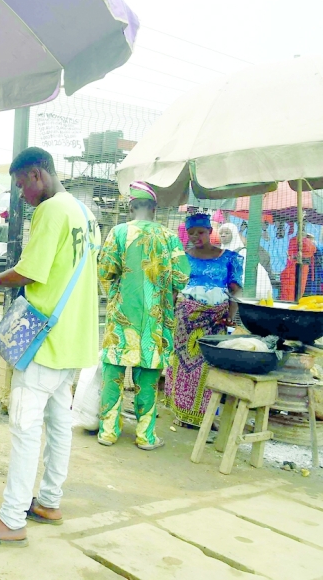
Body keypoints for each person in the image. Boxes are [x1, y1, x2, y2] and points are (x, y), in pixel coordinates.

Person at [0, 147, 100, 547]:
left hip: (45, 341)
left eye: (22, 184)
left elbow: (28, 273)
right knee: (59, 426)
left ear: (38, 174)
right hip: (75, 338)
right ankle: (49, 502)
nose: (22, 194)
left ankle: (11, 520)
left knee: (24, 428)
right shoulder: (84, 212)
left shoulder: (51, 211)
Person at [97, 182, 189, 450]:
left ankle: (108, 432)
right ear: (154, 207)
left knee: (113, 374)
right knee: (147, 378)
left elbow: (105, 270)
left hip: (120, 318)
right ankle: (145, 436)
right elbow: (182, 277)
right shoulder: (169, 236)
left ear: (130, 206)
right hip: (154, 321)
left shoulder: (117, 233)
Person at [167, 213, 243, 427]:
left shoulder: (228, 258)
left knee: (208, 366)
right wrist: (170, 313)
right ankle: (182, 413)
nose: (195, 237)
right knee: (183, 365)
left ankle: (206, 416)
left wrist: (230, 316)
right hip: (185, 321)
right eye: (191, 233)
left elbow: (235, 290)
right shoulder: (183, 258)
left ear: (211, 232)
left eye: (200, 232)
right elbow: (175, 290)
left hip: (215, 321)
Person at [219, 221, 273, 300]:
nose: (223, 235)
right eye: (221, 233)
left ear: (234, 234)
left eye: (227, 233)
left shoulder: (241, 253)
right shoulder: (221, 253)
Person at [280, 233, 317, 301]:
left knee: (291, 297)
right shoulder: (303, 244)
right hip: (295, 270)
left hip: (296, 270)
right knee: (293, 296)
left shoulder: (302, 243)